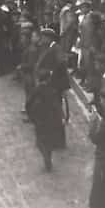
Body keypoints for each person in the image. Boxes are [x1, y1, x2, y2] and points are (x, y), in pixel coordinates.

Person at [29, 28, 70, 171]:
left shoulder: (56, 48)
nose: (42, 38)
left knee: (55, 110)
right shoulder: (49, 47)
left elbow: (61, 63)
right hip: (51, 84)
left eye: (44, 36)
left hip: (54, 86)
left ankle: (59, 141)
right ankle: (57, 140)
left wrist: (51, 75)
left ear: (49, 38)